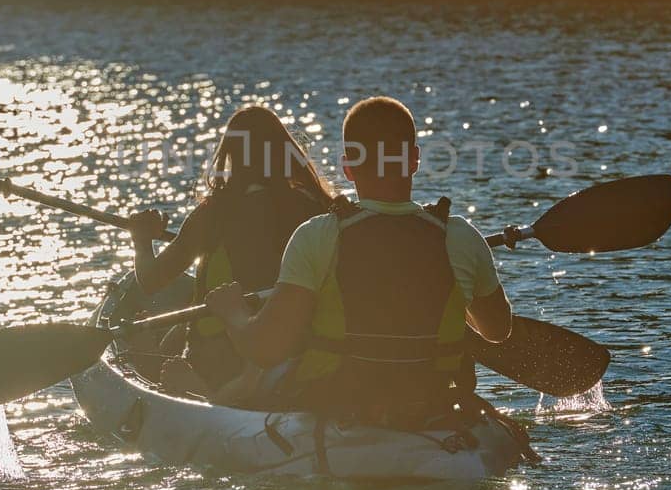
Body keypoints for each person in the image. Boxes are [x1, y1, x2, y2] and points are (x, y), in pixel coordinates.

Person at [204, 96, 512, 426]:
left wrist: (232, 312)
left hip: (339, 412)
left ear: (347, 167)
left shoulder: (317, 236)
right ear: (414, 161)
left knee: (236, 389)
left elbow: (266, 350)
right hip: (431, 407)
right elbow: (497, 329)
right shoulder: (461, 237)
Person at [126, 104, 333, 398]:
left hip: (226, 355)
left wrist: (142, 240)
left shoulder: (214, 213)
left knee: (162, 336)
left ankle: (197, 384)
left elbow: (150, 280)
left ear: (232, 155)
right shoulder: (315, 206)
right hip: (297, 347)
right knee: (181, 322)